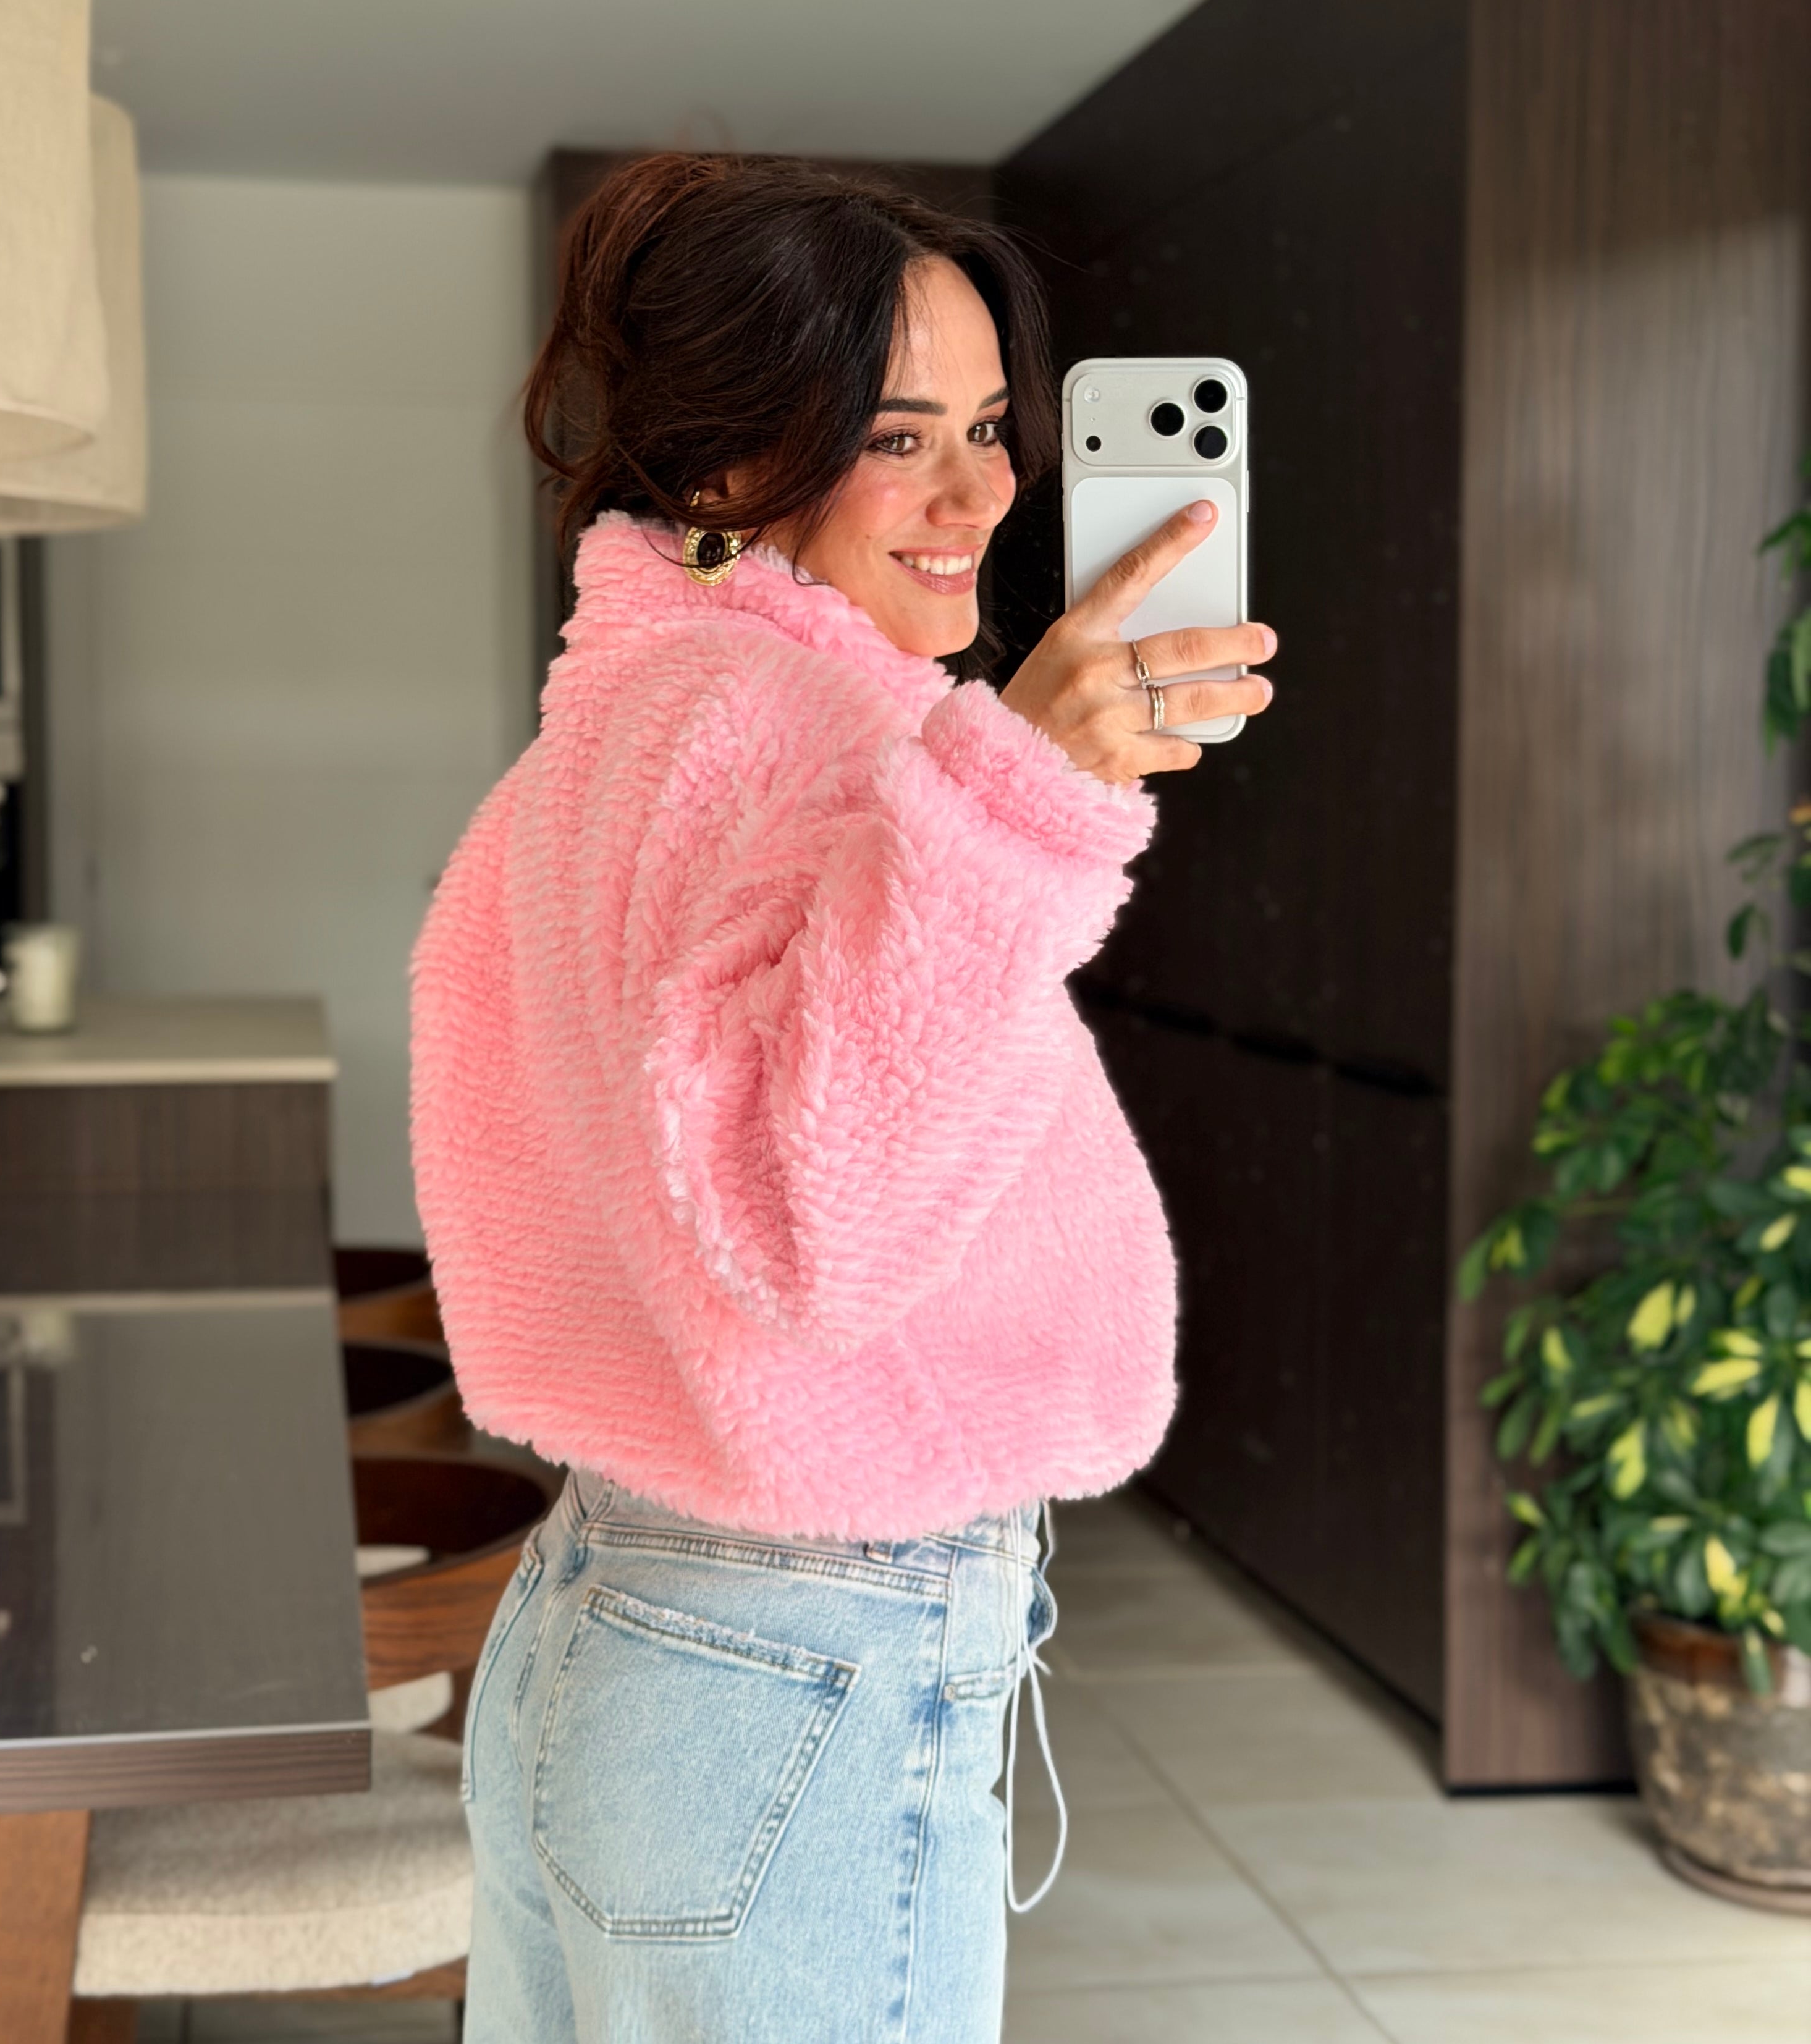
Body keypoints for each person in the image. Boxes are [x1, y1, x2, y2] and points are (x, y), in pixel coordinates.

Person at [408, 150, 1276, 2044]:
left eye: (989, 427)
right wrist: (1024, 800)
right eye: (899, 438)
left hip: (610, 1624)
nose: (982, 494)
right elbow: (821, 1219)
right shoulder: (788, 726)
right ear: (730, 468)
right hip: (793, 1658)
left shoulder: (610, 731)